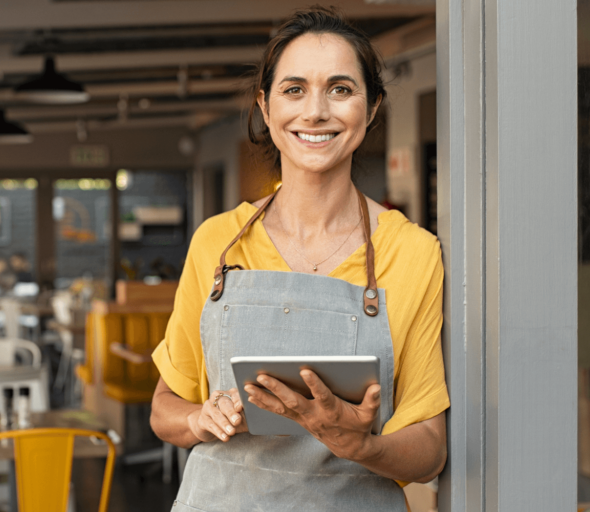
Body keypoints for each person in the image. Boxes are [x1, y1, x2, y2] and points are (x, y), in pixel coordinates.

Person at [149, 7, 448, 510]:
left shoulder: (412, 252)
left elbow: (430, 450)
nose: (315, 112)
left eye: (340, 89)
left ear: (371, 108)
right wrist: (199, 419)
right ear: (266, 108)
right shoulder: (218, 243)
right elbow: (164, 408)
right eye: (294, 90)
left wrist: (363, 445)